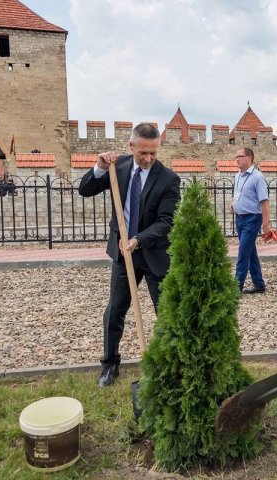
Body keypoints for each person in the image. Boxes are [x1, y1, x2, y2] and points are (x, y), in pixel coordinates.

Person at [78, 123, 181, 387]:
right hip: (124, 255)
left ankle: (167, 365)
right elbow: (85, 189)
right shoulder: (118, 167)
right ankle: (110, 365)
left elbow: (166, 221)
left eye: (153, 153)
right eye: (143, 153)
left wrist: (138, 239)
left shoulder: (169, 179)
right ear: (131, 147)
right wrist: (100, 166)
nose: (148, 159)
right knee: (115, 311)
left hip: (155, 255)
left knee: (167, 314)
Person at [229, 147, 272, 293]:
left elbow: (264, 202)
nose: (237, 159)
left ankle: (236, 287)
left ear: (249, 158)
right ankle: (259, 284)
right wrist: (232, 203)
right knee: (250, 251)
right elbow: (236, 194)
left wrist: (266, 225)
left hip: (252, 218)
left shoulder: (257, 177)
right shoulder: (238, 176)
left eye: (239, 156)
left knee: (243, 252)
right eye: (236, 156)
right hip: (239, 218)